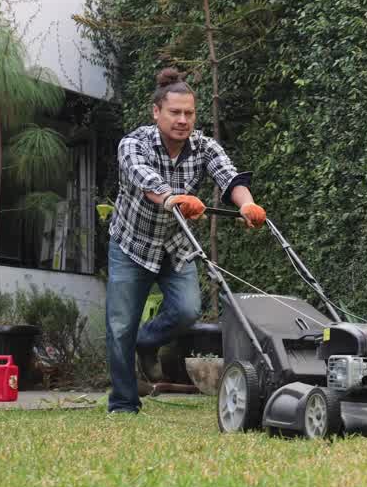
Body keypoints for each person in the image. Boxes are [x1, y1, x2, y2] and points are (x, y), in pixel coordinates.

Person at [105, 67, 266, 414]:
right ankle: (123, 403)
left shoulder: (203, 147)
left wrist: (247, 203)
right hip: (131, 245)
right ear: (156, 112)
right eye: (174, 112)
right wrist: (171, 197)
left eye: (188, 113)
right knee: (120, 325)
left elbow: (229, 176)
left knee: (187, 311)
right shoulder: (134, 143)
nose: (182, 120)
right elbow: (142, 177)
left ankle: (146, 342)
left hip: (175, 246)